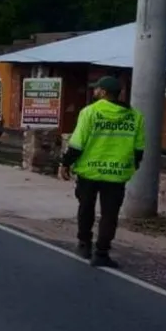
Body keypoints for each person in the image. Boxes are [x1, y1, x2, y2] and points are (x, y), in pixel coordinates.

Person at [58, 76, 145, 268]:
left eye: (97, 89)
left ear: (104, 93)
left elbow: (77, 142)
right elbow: (139, 148)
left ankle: (84, 245)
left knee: (86, 208)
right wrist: (133, 165)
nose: (94, 91)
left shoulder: (90, 112)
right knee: (109, 215)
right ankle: (102, 253)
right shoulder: (134, 116)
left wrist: (65, 163)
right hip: (117, 174)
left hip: (89, 171)